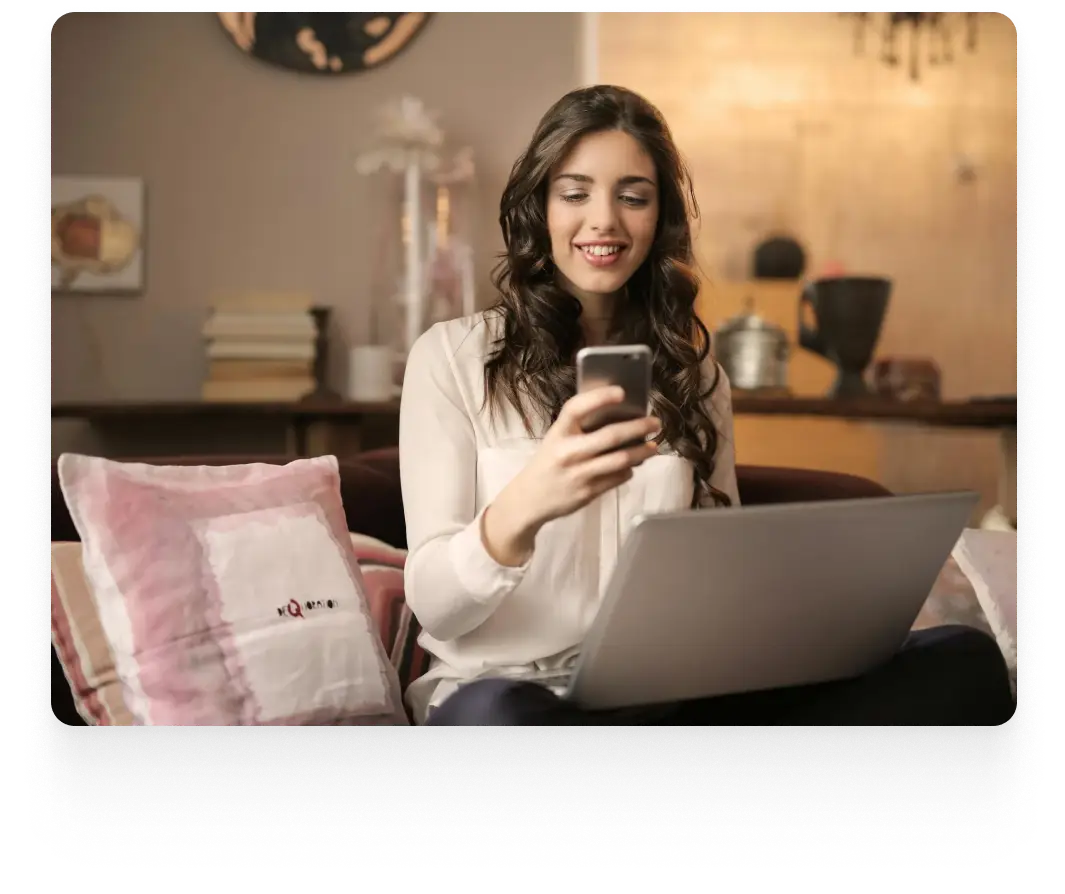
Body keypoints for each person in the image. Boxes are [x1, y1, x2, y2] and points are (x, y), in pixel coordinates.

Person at [397, 85, 1015, 727]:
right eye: (575, 193)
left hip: (664, 698)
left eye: (632, 196)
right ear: (539, 208)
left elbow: (720, 577)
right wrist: (527, 505)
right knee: (505, 719)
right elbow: (437, 605)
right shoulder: (453, 359)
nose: (604, 220)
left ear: (659, 218)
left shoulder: (696, 378)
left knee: (961, 661)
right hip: (507, 695)